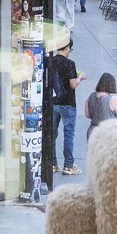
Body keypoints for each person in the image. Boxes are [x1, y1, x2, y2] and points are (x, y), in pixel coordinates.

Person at [45, 34, 81, 173]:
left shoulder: (50, 61)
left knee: (52, 133)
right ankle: (68, 165)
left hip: (54, 102)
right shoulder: (70, 64)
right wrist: (80, 78)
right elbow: (73, 84)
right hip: (68, 103)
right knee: (68, 134)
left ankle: (53, 163)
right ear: (67, 48)